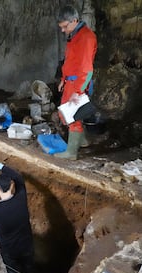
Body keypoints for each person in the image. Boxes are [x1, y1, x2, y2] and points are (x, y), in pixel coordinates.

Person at [54, 5, 97, 160]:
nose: (63, 30)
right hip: (70, 82)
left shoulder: (86, 37)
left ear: (74, 20)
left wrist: (77, 91)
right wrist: (63, 80)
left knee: (70, 116)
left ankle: (71, 152)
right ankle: (82, 141)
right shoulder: (75, 35)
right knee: (67, 113)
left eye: (65, 26)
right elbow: (70, 62)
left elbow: (86, 69)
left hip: (78, 84)